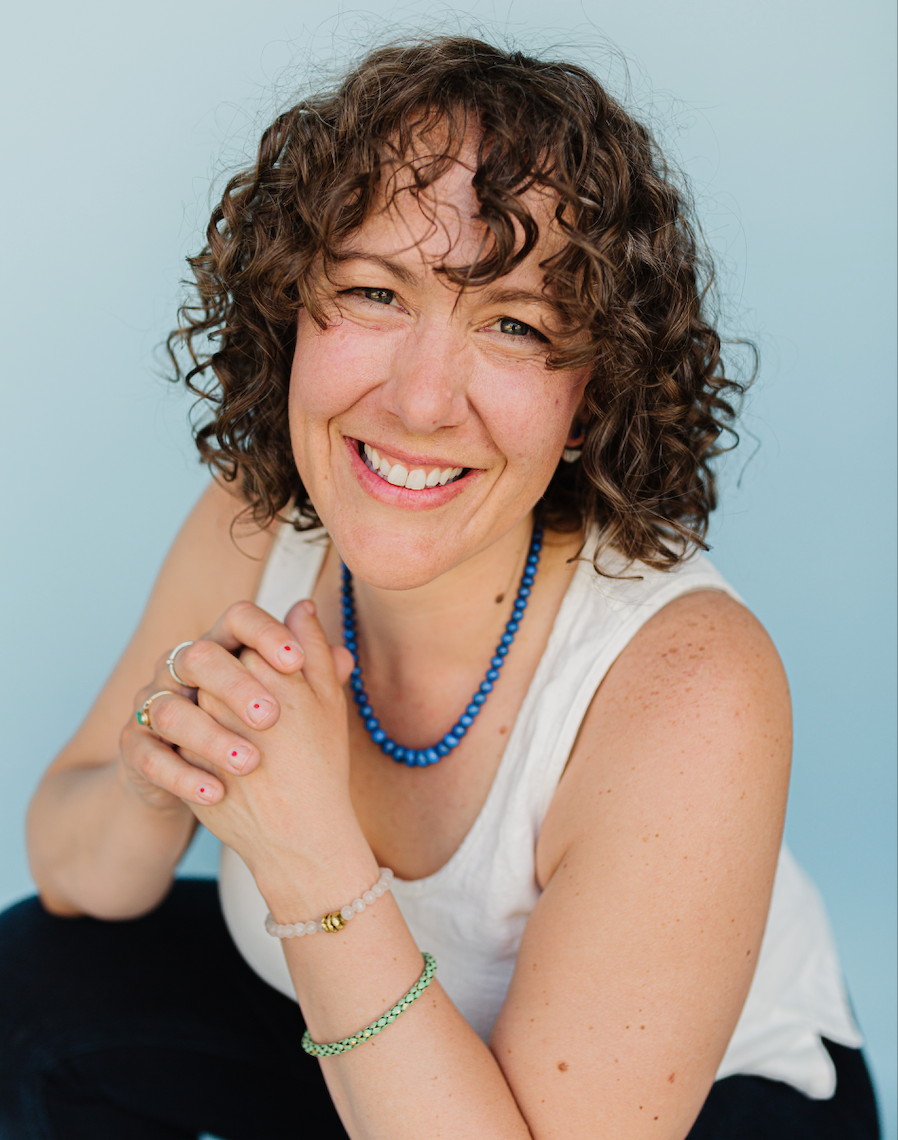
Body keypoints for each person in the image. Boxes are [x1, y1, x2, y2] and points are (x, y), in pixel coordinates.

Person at [0, 35, 879, 1140]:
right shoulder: (263, 516)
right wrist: (162, 774)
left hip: (675, 1111)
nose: (419, 403)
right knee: (34, 986)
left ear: (591, 393)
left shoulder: (691, 679)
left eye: (511, 324)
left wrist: (311, 852)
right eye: (374, 292)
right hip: (365, 1035)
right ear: (290, 312)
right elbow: (76, 875)